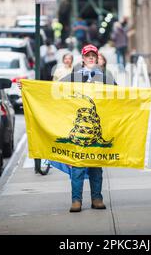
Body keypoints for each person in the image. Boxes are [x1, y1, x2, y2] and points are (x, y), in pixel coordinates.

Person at [60, 44, 116, 212]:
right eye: (88, 56)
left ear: (97, 58)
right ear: (83, 58)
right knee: (77, 165)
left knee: (96, 166)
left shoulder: (105, 77)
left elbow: (123, 96)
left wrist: (148, 94)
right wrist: (26, 87)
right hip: (78, 129)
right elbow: (53, 90)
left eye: (93, 55)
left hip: (98, 128)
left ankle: (97, 199)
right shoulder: (74, 77)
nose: (91, 58)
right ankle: (76, 200)